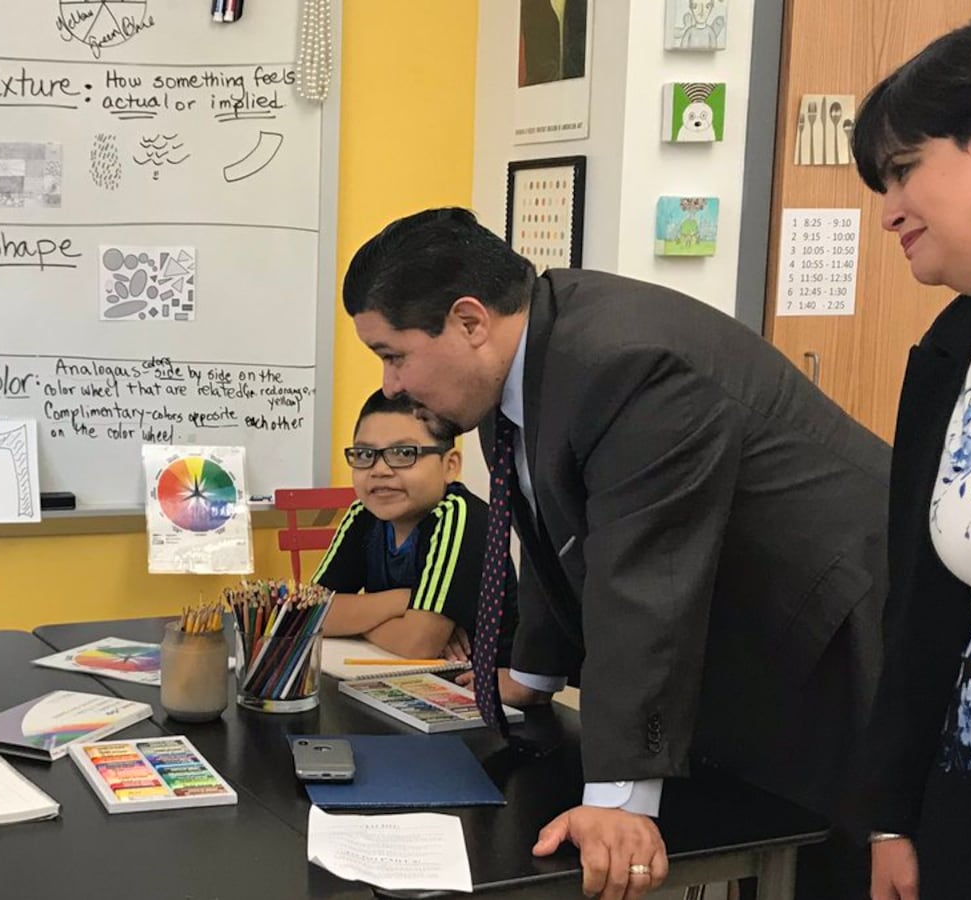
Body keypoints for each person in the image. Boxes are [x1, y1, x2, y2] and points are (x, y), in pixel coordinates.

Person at [343, 207, 891, 900]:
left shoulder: (627, 366)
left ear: (470, 321)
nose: (391, 385)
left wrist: (618, 802)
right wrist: (532, 675)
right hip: (761, 625)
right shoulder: (516, 371)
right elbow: (556, 533)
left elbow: (644, 581)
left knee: (822, 860)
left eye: (394, 355)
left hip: (834, 618)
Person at [851, 16, 971, 898]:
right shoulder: (955, 346)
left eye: (904, 168)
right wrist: (893, 814)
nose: (888, 211)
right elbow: (924, 606)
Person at [315, 390, 521, 673]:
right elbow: (309, 613)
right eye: (364, 454)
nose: (380, 470)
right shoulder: (363, 515)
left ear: (450, 466)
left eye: (403, 453)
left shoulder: (460, 517)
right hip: (399, 673)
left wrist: (356, 621)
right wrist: (404, 600)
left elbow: (418, 643)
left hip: (481, 688)